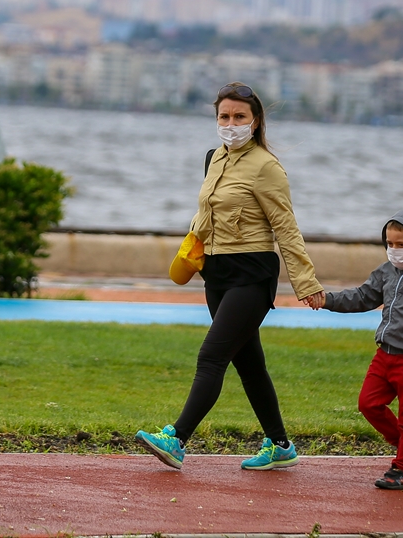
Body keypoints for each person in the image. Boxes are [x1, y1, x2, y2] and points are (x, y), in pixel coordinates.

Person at [136, 82, 326, 471]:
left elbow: (286, 229)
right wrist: (191, 252)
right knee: (249, 364)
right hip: (217, 273)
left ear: (255, 122)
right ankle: (281, 445)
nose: (230, 123)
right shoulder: (214, 159)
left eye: (239, 117)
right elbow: (206, 214)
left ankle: (176, 438)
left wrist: (306, 283)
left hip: (253, 274)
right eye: (224, 116)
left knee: (212, 356)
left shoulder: (267, 167)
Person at [313, 207, 403, 490]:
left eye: (401, 245)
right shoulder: (386, 272)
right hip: (384, 355)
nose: (394, 250)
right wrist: (327, 300)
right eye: (390, 244)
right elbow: (363, 297)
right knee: (368, 404)